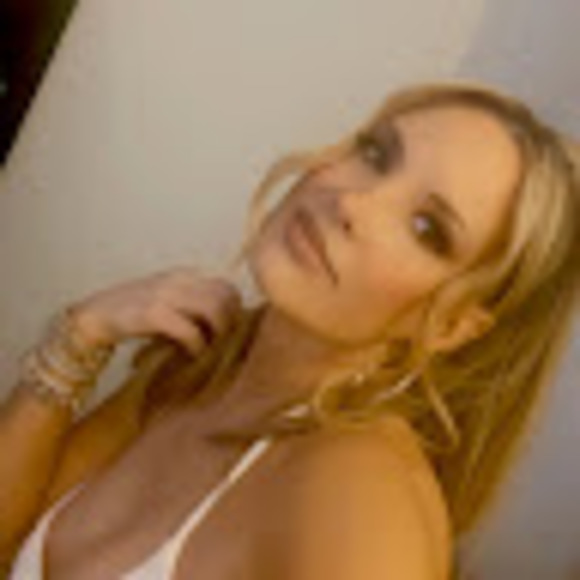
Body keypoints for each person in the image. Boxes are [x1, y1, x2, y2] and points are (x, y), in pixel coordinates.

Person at [5, 81, 580, 579]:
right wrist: (80, 336)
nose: (353, 202)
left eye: (426, 227)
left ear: (451, 325)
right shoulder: (206, 367)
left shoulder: (359, 492)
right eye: (376, 154)